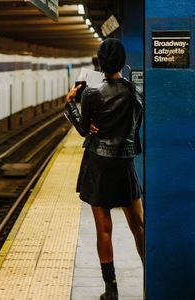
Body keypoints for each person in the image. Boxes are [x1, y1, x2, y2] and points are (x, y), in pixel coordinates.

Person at [65, 38, 144, 300]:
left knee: (104, 229)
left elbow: (83, 129)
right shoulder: (135, 92)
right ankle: (149, 277)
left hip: (98, 164)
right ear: (122, 62)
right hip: (124, 163)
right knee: (139, 226)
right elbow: (135, 126)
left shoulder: (91, 94)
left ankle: (111, 291)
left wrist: (69, 105)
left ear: (100, 63)